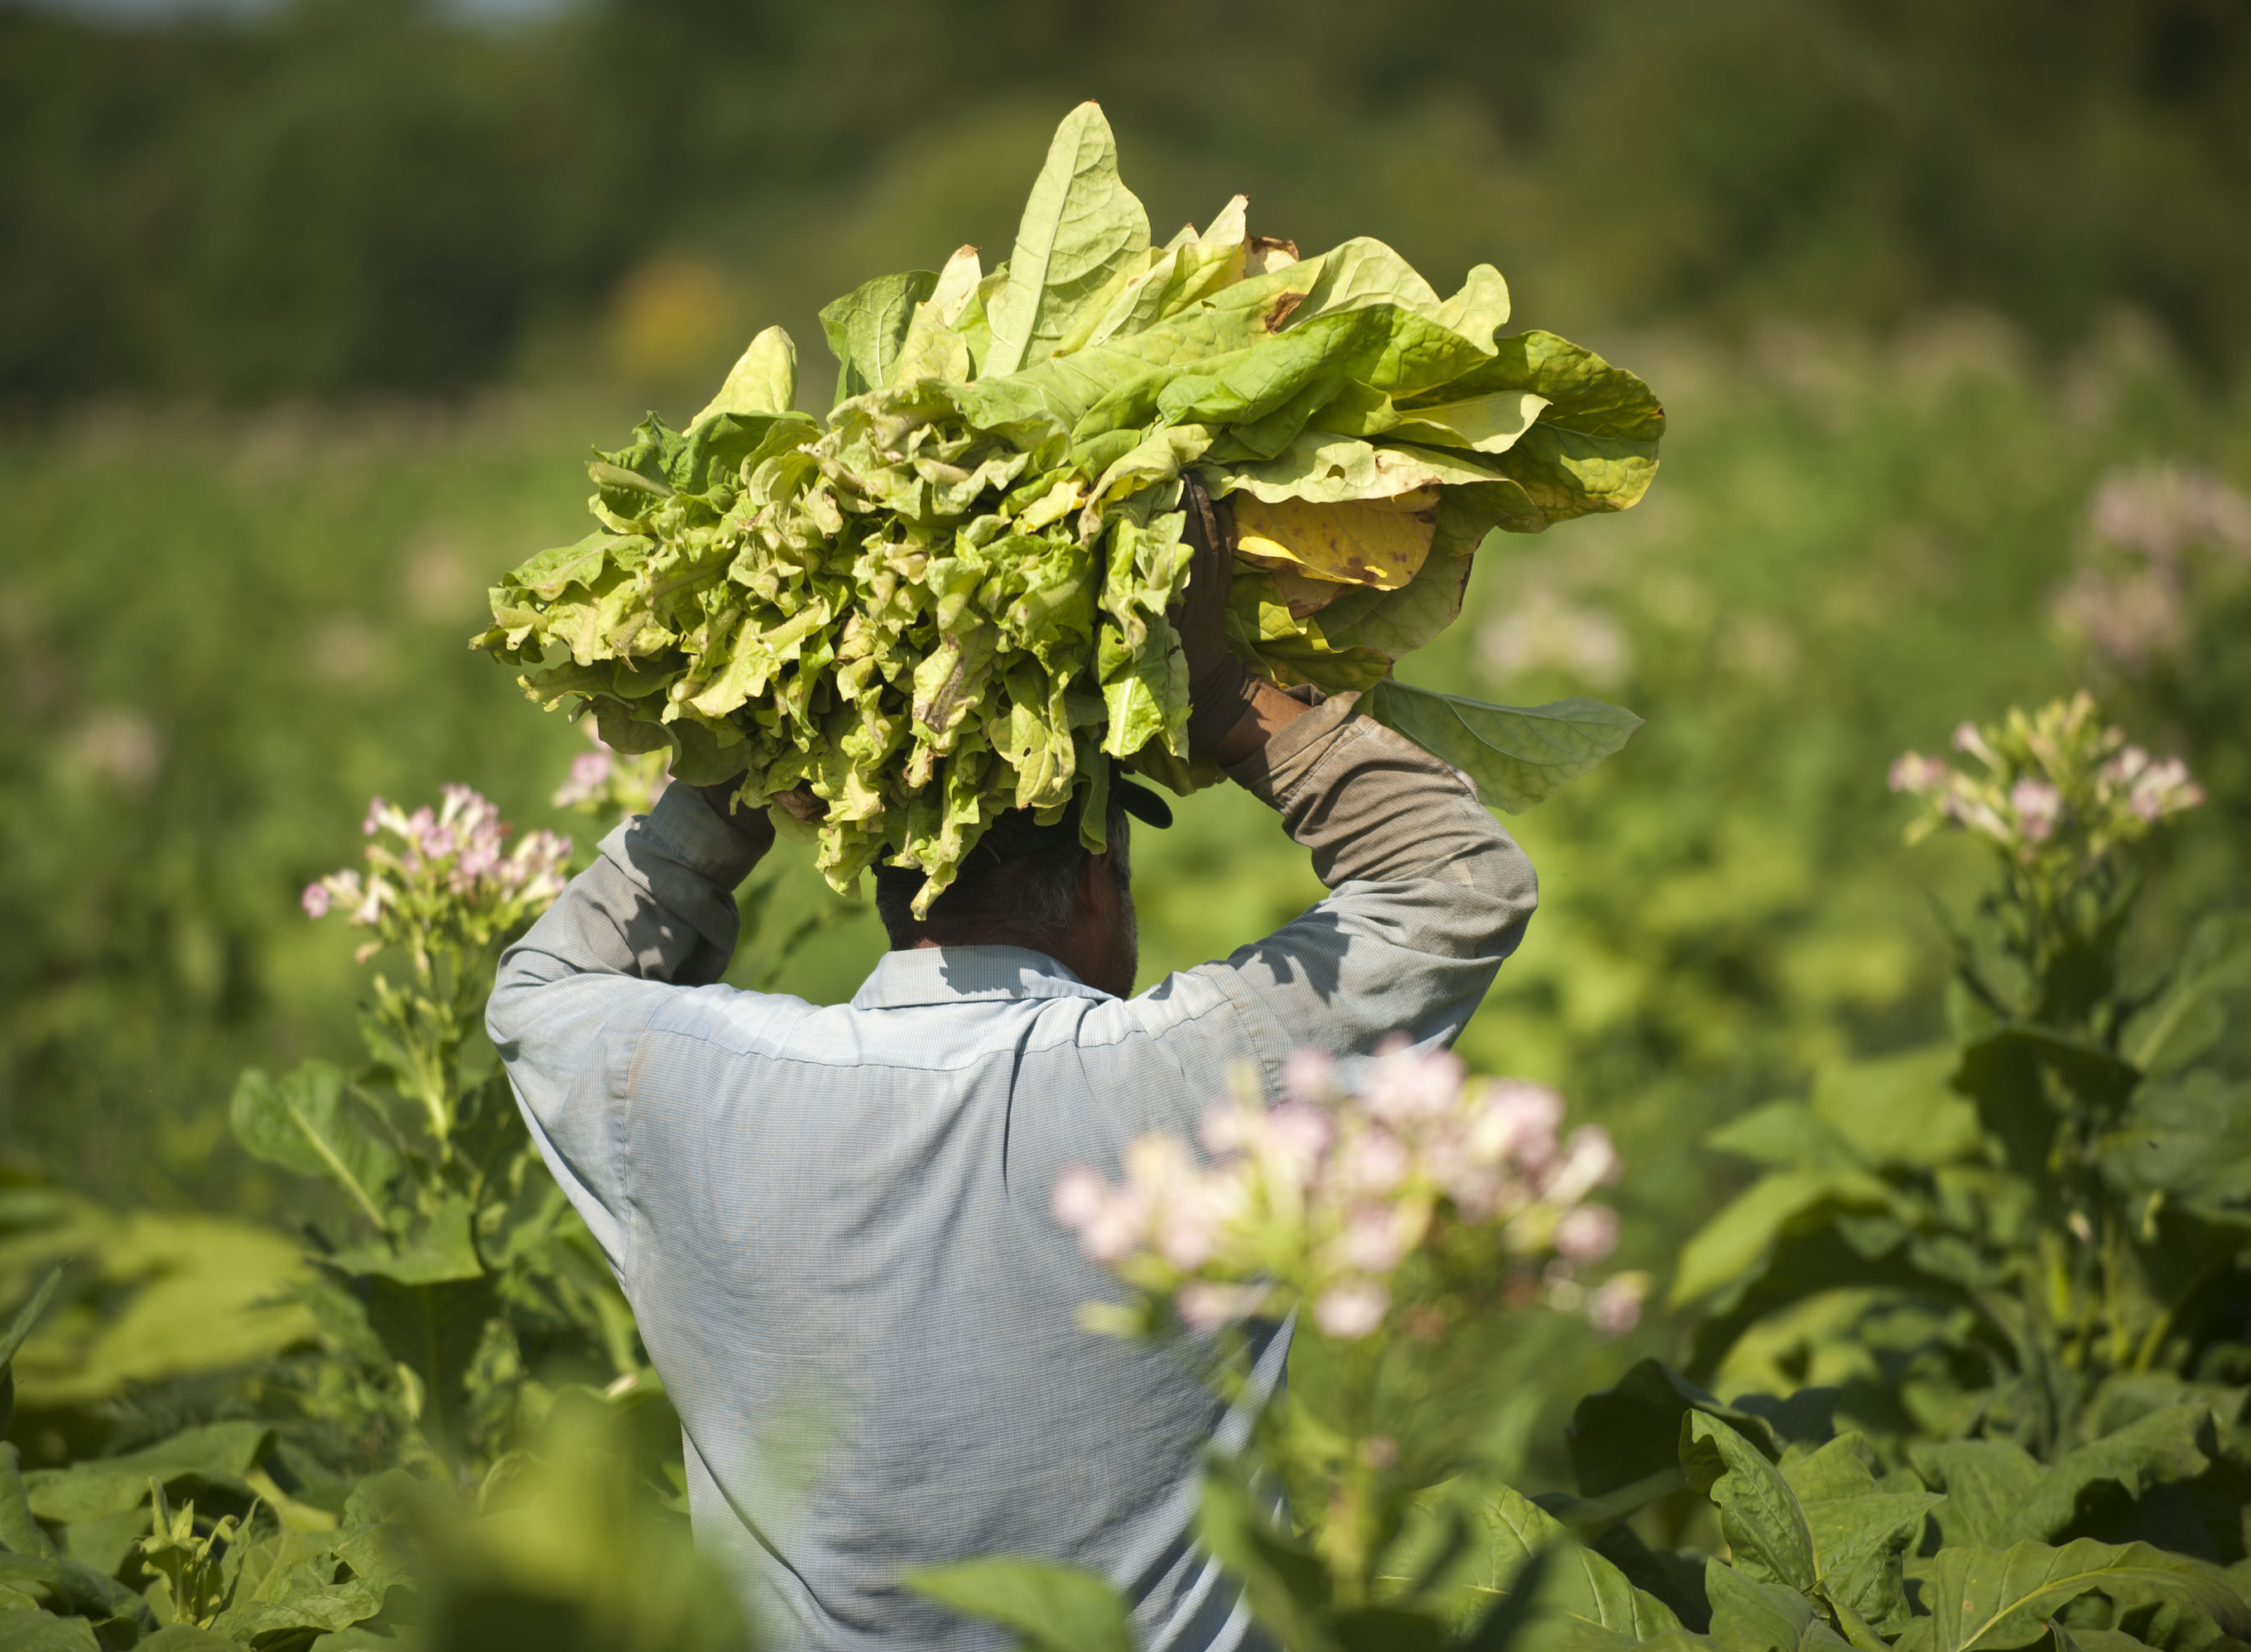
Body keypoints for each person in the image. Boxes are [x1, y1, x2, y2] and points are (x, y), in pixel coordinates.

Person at [487, 479, 1540, 1650]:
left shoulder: (679, 1089)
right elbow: (1460, 883)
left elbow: (542, 992)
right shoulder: (1206, 1082)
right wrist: (1225, 701)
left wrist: (744, 756)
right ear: (1101, 878)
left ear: (890, 882)